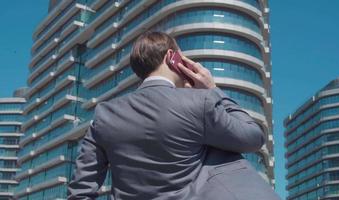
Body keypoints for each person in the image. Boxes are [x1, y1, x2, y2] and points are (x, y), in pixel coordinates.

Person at [67, 31, 280, 200]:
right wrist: (213, 89)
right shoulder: (200, 103)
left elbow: (80, 192)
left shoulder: (104, 115)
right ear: (172, 57)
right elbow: (253, 137)